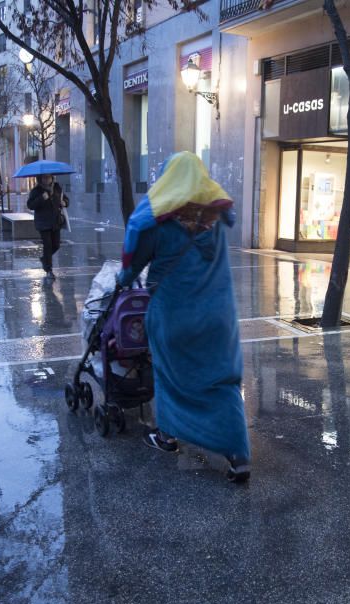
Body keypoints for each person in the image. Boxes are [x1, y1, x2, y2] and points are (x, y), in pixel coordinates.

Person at [117, 152, 251, 483]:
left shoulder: (159, 220)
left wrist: (122, 280)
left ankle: (167, 437)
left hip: (174, 315)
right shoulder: (217, 217)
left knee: (171, 376)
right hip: (218, 316)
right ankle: (238, 456)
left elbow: (131, 267)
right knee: (222, 381)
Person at [26, 174, 64, 280]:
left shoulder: (57, 187)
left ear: (52, 178)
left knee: (56, 245)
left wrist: (64, 202)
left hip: (55, 222)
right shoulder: (36, 190)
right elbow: (30, 205)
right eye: (44, 178)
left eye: (48, 177)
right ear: (40, 179)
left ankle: (44, 259)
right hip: (43, 223)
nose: (46, 179)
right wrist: (42, 198)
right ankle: (49, 270)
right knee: (47, 246)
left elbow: (64, 198)